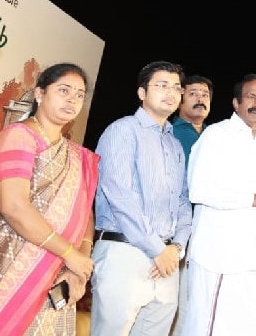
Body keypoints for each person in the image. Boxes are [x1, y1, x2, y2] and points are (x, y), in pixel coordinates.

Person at [182, 73, 256, 335]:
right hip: (220, 257)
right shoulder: (216, 135)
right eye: (251, 97)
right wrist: (255, 199)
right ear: (236, 103)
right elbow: (199, 190)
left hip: (255, 257)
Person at [0, 63, 98, 334]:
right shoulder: (17, 136)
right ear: (40, 94)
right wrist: (69, 253)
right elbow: (14, 208)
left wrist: (79, 266)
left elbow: (84, 211)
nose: (72, 100)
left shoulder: (77, 155)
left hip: (58, 274)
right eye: (64, 90)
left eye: (79, 95)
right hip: (10, 268)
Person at [91, 60, 192, 336]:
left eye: (176, 87)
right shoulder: (123, 131)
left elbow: (183, 201)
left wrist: (177, 248)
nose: (171, 92)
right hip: (124, 252)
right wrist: (156, 249)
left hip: (167, 261)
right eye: (161, 85)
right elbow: (120, 196)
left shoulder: (174, 144)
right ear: (142, 93)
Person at [170, 74, 213, 336]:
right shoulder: (170, 132)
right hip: (176, 230)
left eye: (206, 95)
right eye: (194, 93)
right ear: (180, 99)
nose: (201, 99)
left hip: (209, 230)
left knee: (199, 303)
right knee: (172, 305)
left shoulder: (216, 136)